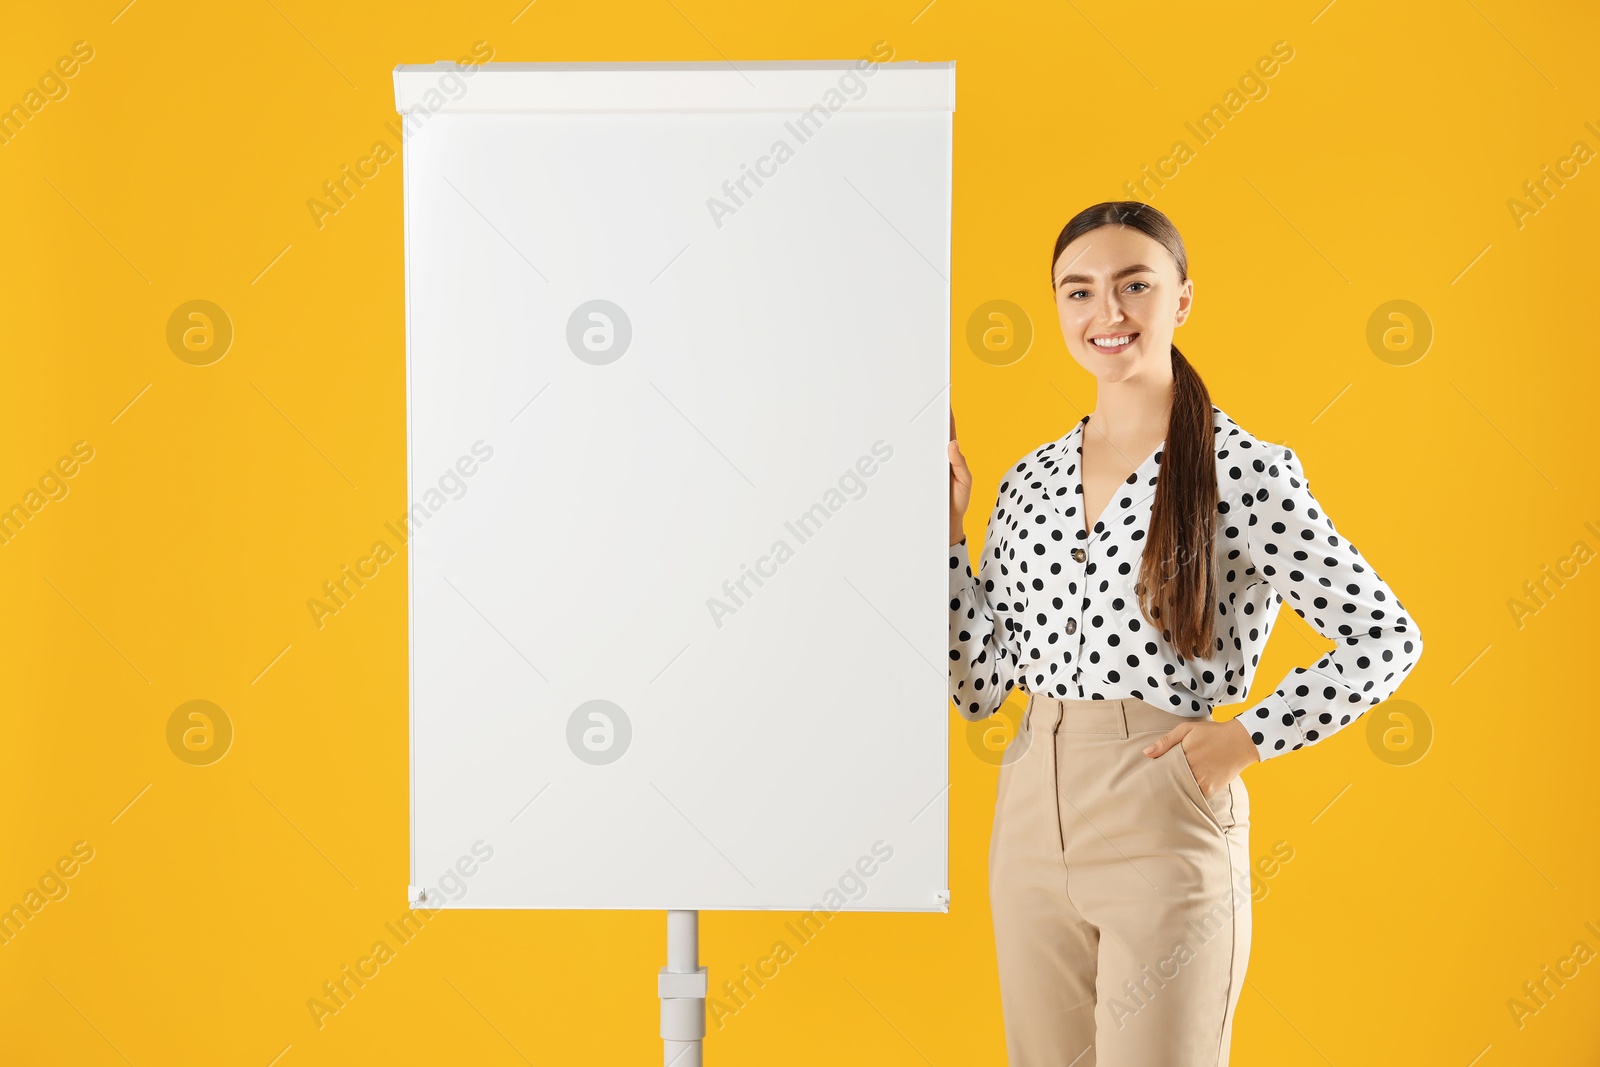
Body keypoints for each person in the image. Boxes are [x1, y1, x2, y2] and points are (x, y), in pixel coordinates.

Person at [947, 201, 1424, 1066]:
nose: (1108, 313)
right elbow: (980, 687)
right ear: (1057, 308)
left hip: (1164, 809)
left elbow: (1385, 636)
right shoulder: (1026, 481)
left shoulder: (1241, 469)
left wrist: (1243, 740)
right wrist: (947, 538)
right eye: (1079, 291)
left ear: (1183, 299)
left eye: (1136, 285)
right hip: (1027, 816)